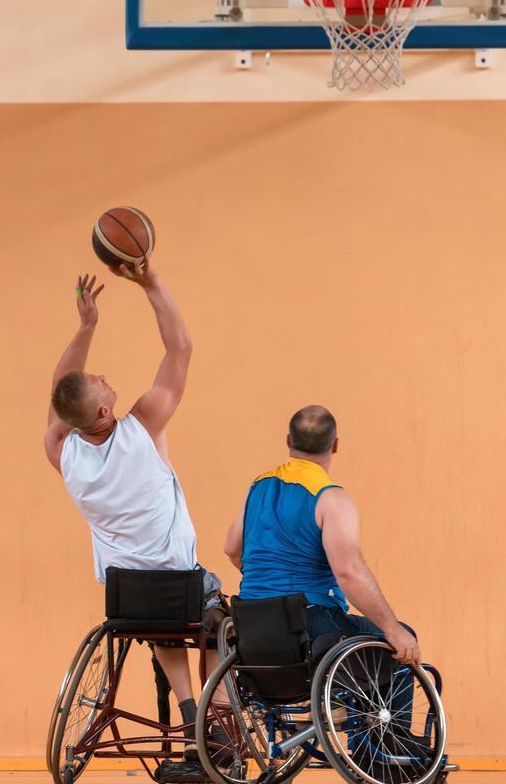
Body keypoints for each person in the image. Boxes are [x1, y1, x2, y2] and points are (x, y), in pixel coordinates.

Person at [43, 259, 222, 754]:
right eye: (100, 380)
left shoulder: (63, 453)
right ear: (104, 410)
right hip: (179, 584)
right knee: (221, 624)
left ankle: (189, 720)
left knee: (165, 621)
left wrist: (87, 326)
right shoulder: (142, 426)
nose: (101, 374)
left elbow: (59, 393)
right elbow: (180, 348)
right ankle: (216, 721)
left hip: (128, 597)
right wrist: (153, 283)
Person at [222, 405, 420, 665]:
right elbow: (348, 572)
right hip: (309, 621)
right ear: (335, 445)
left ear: (288, 441)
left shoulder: (258, 487)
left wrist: (270, 581)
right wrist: (392, 628)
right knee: (401, 641)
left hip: (253, 622)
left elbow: (232, 549)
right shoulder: (331, 498)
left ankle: (337, 705)